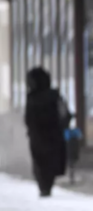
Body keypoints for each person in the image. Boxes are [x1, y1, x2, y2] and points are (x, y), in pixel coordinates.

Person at [24, 67, 71, 197]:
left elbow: (28, 118)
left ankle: (44, 185)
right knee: (51, 160)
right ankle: (47, 184)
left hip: (37, 136)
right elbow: (64, 114)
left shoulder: (32, 97)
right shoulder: (54, 96)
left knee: (40, 161)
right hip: (54, 135)